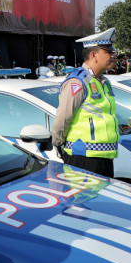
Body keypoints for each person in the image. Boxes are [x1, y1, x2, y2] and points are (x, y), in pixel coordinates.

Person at [50, 27, 119, 178]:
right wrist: (58, 144)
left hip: (105, 158)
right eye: (109, 52)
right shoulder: (77, 82)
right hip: (83, 159)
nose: (114, 55)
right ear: (93, 55)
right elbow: (63, 119)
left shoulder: (103, 82)